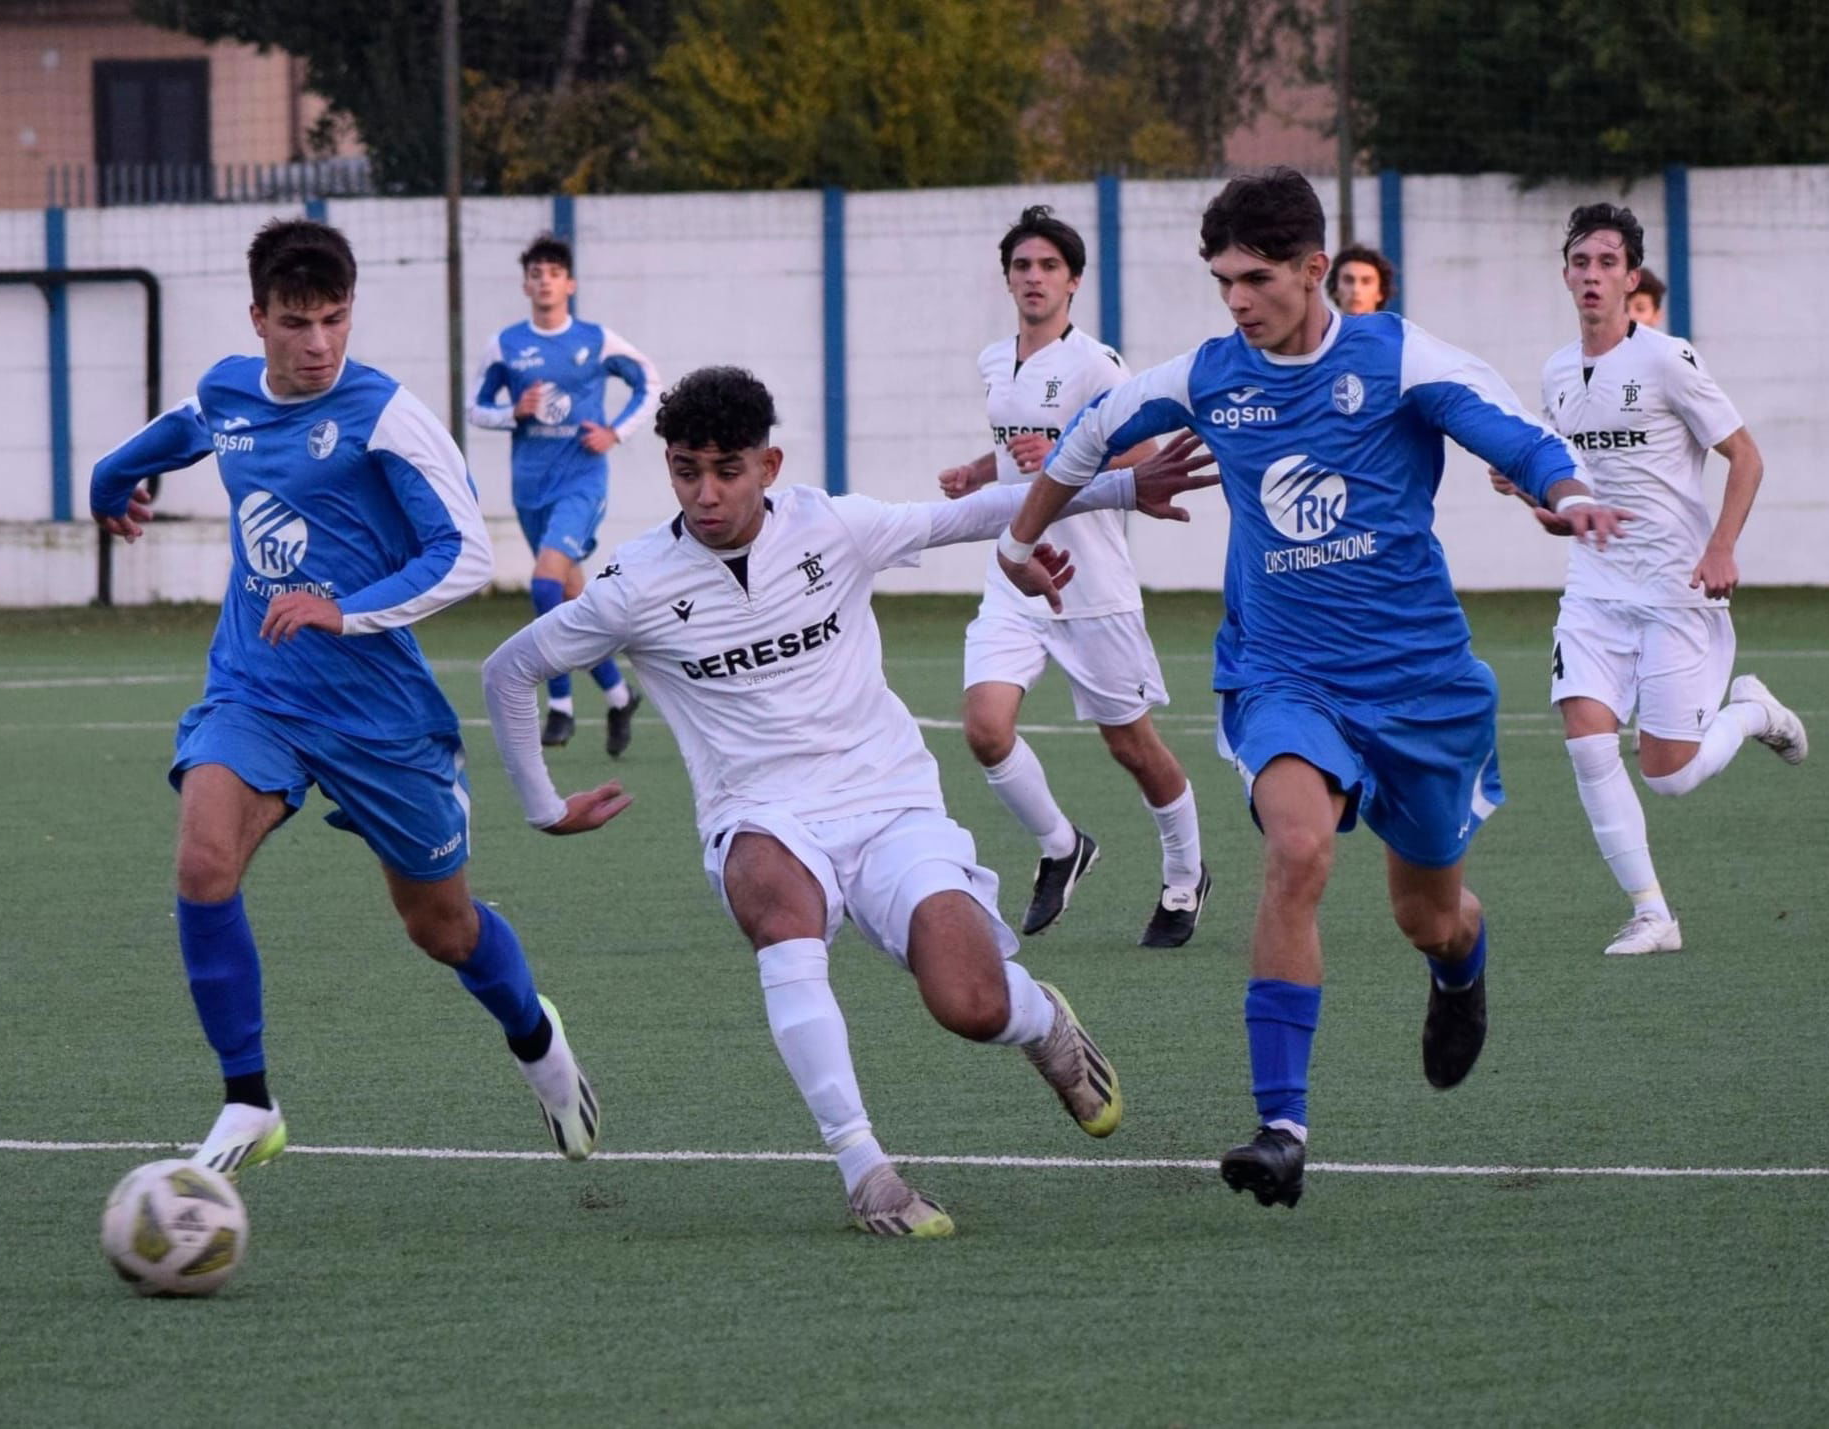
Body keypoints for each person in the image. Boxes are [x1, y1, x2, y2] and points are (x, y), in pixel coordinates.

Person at [993, 167, 1630, 1210]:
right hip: (1283, 676)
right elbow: (1087, 432)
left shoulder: (1398, 359)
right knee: (1294, 850)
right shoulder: (1206, 375)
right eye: (1220, 281)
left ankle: (1459, 966)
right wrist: (1022, 540)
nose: (1236, 301)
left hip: (1419, 686)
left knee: (1427, 915)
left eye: (1254, 278)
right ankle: (1279, 1126)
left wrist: (1567, 494)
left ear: (1312, 269)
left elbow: (1512, 435)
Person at [482, 366, 1216, 1237]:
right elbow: (511, 667)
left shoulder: (832, 526)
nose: (706, 493)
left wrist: (1125, 484)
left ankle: (1040, 1020)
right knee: (778, 907)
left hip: (890, 800)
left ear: (770, 464)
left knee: (970, 1004)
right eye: (686, 471)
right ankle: (865, 1169)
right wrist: (542, 806)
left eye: (727, 470)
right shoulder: (637, 583)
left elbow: (972, 514)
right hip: (760, 813)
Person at [90, 218, 613, 1178]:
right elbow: (178, 430)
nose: (319, 343)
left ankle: (537, 1038)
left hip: (379, 716)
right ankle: (249, 1101)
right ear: (259, 318)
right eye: (296, 322)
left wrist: (343, 609)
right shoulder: (230, 390)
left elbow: (462, 556)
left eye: (334, 319)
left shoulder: (387, 416)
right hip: (255, 690)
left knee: (440, 927)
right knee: (205, 860)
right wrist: (109, 479)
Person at [1493, 203, 1804, 956]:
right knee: (1587, 740)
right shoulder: (1557, 372)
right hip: (1594, 592)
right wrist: (1536, 495)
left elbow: (1747, 456)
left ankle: (1754, 711)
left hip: (1676, 592)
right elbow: (1568, 479)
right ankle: (1652, 913)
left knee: (1668, 775)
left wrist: (1722, 547)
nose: (1592, 275)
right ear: (1565, 274)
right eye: (1580, 262)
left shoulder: (1669, 359)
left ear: (1632, 278)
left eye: (1607, 263)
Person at [935, 205, 1209, 947]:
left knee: (1133, 747)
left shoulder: (1097, 364)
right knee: (986, 730)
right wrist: (980, 466)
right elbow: (1016, 445)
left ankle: (1185, 877)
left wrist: (1058, 457)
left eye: (1048, 266)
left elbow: (1140, 454)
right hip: (1017, 569)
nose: (1033, 277)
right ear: (1007, 278)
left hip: (1091, 584)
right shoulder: (996, 360)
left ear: (1074, 281)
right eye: (1022, 266)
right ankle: (1062, 845)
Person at [469, 232, 659, 754]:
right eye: (535, 273)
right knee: (572, 603)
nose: (544, 281)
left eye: (553, 272)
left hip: (581, 480)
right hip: (530, 488)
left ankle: (560, 706)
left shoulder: (597, 340)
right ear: (525, 284)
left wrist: (614, 431)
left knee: (544, 584)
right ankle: (620, 696)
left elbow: (650, 382)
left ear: (569, 283)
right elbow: (475, 408)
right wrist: (513, 413)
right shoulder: (506, 345)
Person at [1325, 243, 1394, 316]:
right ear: (1335, 288)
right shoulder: (1319, 327)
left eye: (1366, 281)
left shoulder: (1399, 327)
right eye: (1348, 280)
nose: (1355, 289)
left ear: (1380, 292)